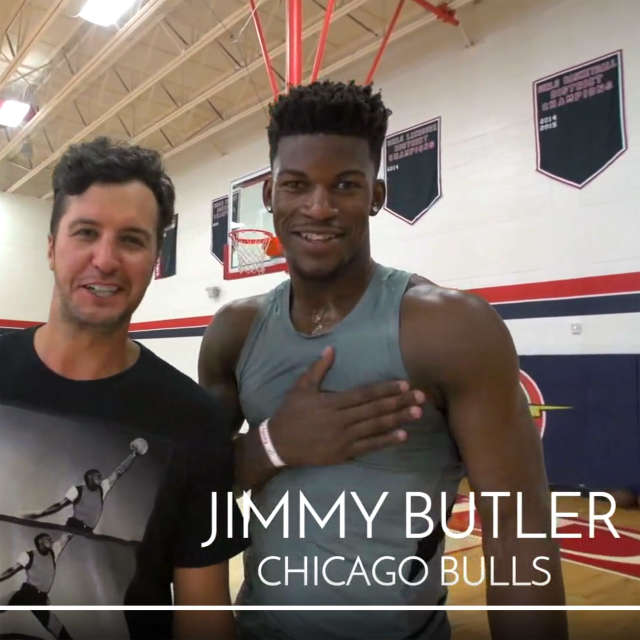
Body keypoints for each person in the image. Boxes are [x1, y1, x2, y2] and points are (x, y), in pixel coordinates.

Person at [198, 82, 567, 640]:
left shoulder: (452, 328)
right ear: (270, 192)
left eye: (344, 185)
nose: (318, 207)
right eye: (297, 185)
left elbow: (520, 536)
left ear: (376, 195)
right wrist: (273, 444)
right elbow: (194, 499)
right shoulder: (234, 331)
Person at [0, 137, 246, 640]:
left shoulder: (196, 422)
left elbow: (205, 616)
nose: (105, 260)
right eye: (85, 233)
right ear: (50, 247)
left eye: (132, 240)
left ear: (155, 258)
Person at [24, 438, 148, 532]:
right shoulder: (77, 490)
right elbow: (59, 505)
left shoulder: (103, 488)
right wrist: (40, 514)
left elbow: (118, 471)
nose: (101, 477)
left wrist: (132, 456)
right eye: (97, 475)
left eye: (100, 476)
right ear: (89, 477)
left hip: (88, 531)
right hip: (73, 526)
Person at [0, 533, 73, 639]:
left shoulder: (53, 553)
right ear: (40, 542)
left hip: (39, 599)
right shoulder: (28, 555)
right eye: (47, 538)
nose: (51, 540)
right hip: (27, 593)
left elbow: (63, 540)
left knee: (55, 625)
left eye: (50, 538)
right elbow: (11, 570)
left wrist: (71, 534)